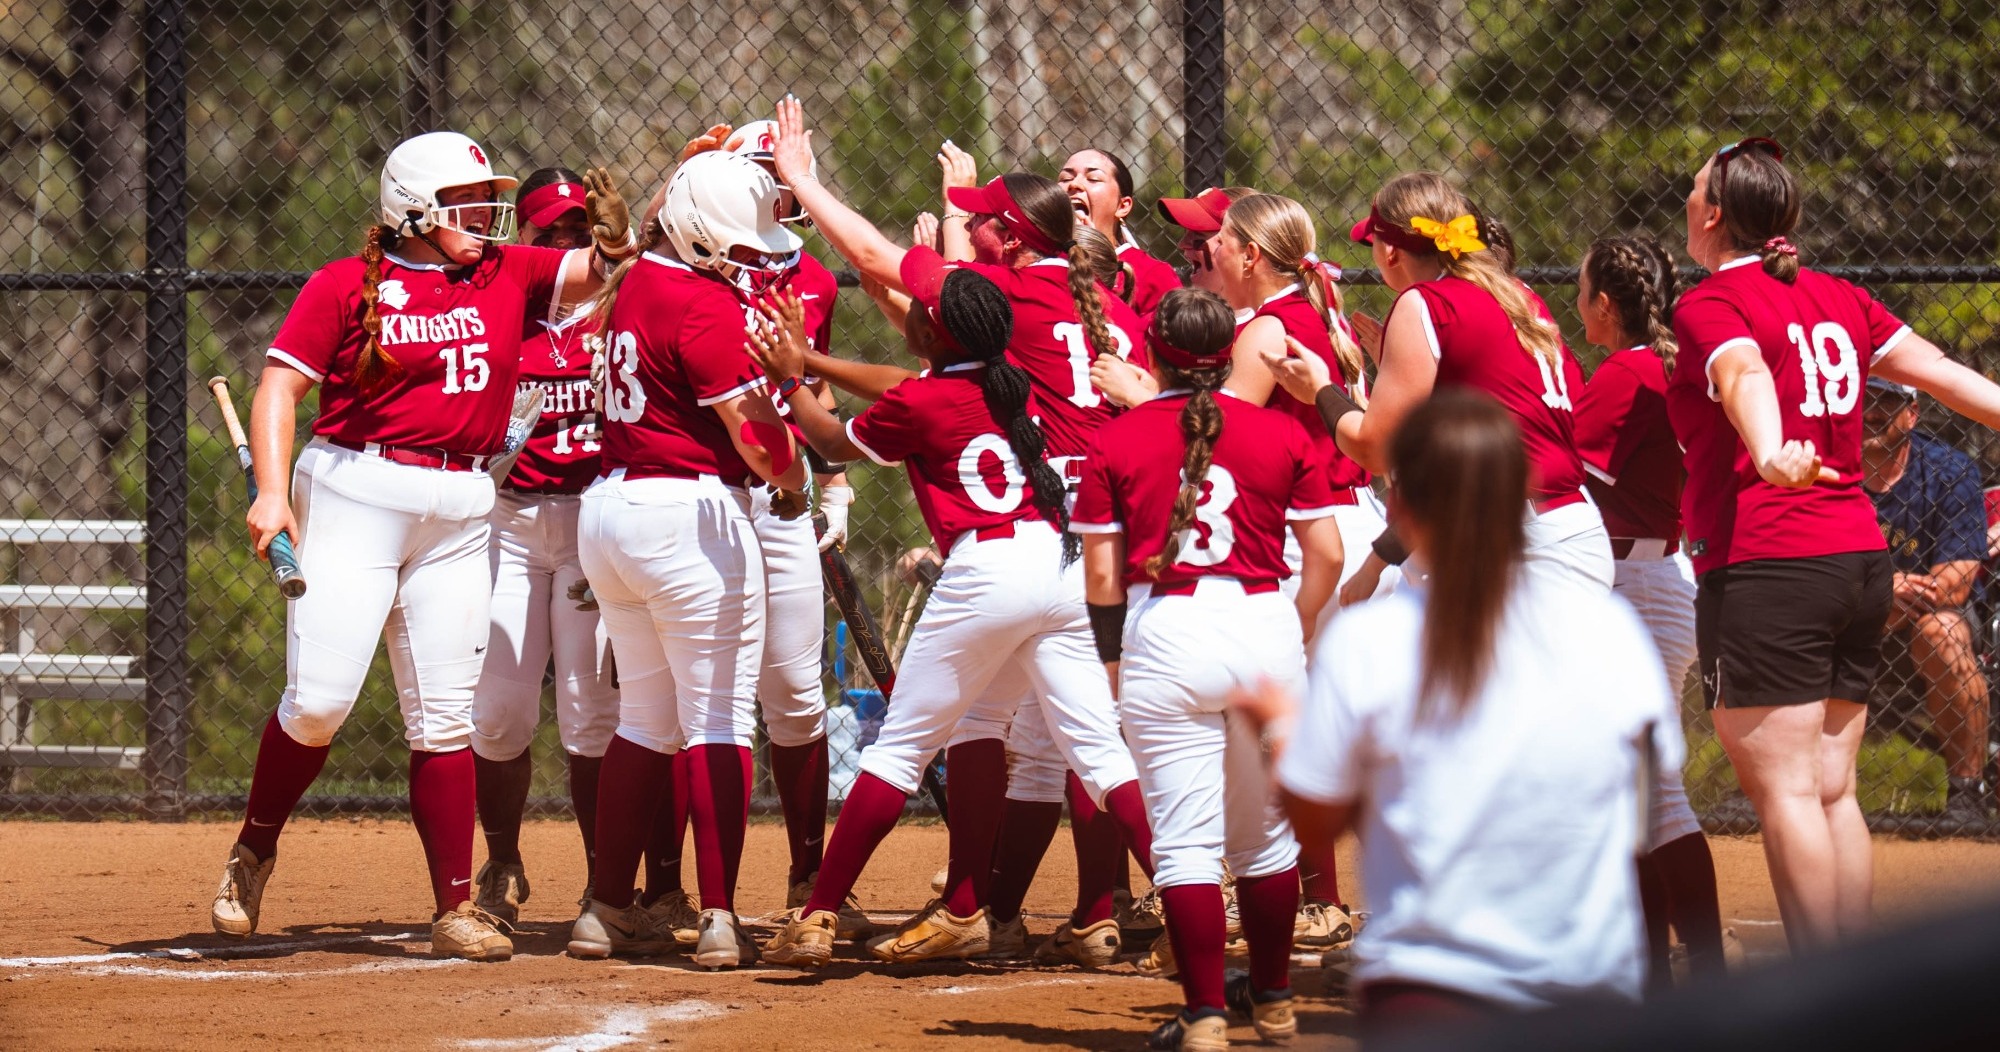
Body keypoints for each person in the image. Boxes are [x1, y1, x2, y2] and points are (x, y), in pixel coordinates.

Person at [209, 132, 635, 961]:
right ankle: (253, 850)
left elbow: (596, 274)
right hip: (357, 492)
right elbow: (280, 386)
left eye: (486, 203)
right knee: (319, 704)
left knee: (444, 717)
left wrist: (617, 240)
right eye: (465, 204)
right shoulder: (345, 283)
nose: (485, 217)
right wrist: (272, 491)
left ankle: (454, 906)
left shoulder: (506, 270)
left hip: (463, 502)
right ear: (412, 211)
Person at [761, 96, 1157, 965]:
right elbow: (943, 350)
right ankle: (1150, 892)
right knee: (1082, 746)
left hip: (1004, 556)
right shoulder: (1104, 308)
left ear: (1009, 241)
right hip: (1084, 542)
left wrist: (803, 182)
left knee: (911, 743)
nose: (967, 236)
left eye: (981, 226)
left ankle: (820, 912)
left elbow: (879, 270)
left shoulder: (1004, 299)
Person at [1668, 136, 2000, 952]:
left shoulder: (1712, 303)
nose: (1687, 200)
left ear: (1714, 214)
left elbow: (1744, 375)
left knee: (1787, 793)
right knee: (1831, 789)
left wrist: (1769, 449)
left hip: (1771, 560)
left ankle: (1819, 988)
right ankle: (1850, 974)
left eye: (1695, 190)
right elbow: (1943, 374)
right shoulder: (1839, 296)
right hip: (1857, 560)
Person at [1263, 391, 1680, 1037]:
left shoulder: (1369, 640)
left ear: (1399, 510)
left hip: (1429, 993)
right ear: (1522, 497)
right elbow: (1641, 813)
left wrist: (1281, 725)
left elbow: (1315, 818)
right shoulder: (1609, 627)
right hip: (1587, 989)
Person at [1072, 287, 1344, 1051]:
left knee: (1187, 844)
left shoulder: (1117, 438)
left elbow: (1102, 577)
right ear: (1230, 357)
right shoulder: (1278, 431)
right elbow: (1326, 555)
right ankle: (1276, 1001)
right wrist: (1297, 626)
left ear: (1152, 356)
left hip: (1169, 632)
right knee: (1266, 840)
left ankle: (1205, 1016)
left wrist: (1112, 658)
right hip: (1262, 626)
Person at [565, 150, 806, 970]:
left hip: (611, 509)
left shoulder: (632, 277)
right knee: (719, 721)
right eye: (734, 245)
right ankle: (721, 918)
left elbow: (659, 220)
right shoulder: (704, 303)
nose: (746, 260)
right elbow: (757, 439)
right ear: (699, 234)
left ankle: (603, 909)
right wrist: (796, 473)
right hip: (687, 514)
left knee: (644, 720)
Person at [1264, 173, 1610, 599]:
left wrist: (1319, 389)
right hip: (1571, 529)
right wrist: (1376, 563)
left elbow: (1374, 449)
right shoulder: (1515, 294)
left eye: (1373, 243)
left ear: (1390, 251)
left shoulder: (1425, 302)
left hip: (1520, 546)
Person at [1570, 234, 1726, 984]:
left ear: (1606, 305)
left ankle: (1696, 973)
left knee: (1650, 792)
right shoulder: (1664, 364)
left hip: (1632, 586)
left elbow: (1557, 472)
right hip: (1654, 574)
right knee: (1633, 789)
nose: (1577, 305)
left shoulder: (1626, 373)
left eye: (1582, 292)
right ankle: (1657, 973)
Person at [470, 166, 623, 924]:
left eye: (577, 228)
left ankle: (605, 881)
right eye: (548, 229)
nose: (563, 240)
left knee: (592, 712)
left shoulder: (622, 303)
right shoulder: (498, 304)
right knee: (499, 713)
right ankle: (501, 862)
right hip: (512, 522)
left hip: (594, 523)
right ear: (524, 237)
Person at [1861, 377, 1992, 823]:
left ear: (1912, 413)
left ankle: (1967, 794)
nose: (1871, 412)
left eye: (1885, 402)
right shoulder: (1825, 469)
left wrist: (1883, 593)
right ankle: (1773, 786)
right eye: (1863, 400)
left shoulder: (1949, 470)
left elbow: (1953, 586)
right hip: (1848, 613)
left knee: (1942, 630)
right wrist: (1885, 587)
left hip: (1927, 617)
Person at [1058, 147, 1181, 313]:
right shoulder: (1038, 259)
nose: (1074, 184)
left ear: (1122, 206)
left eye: (1093, 179)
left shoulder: (1151, 274)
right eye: (1065, 178)